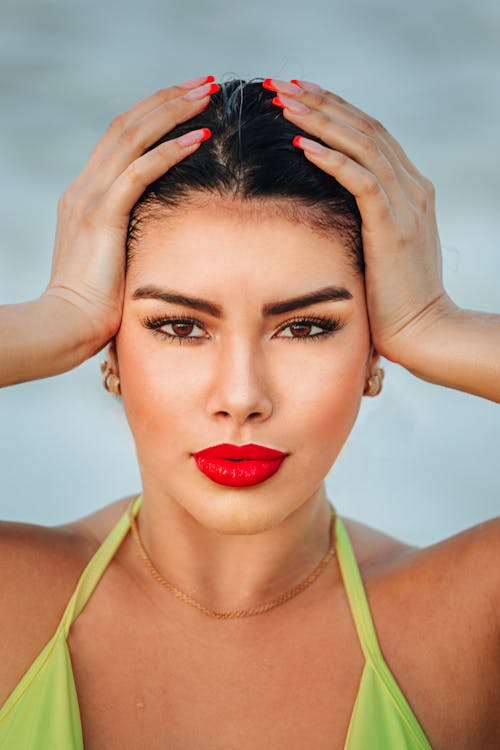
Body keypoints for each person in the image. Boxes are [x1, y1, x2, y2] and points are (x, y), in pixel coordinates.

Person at [0, 75, 498, 750]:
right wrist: (54, 314)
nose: (241, 397)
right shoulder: (13, 606)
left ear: (376, 352)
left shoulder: (464, 629)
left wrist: (430, 320)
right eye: (179, 326)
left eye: (305, 327)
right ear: (108, 350)